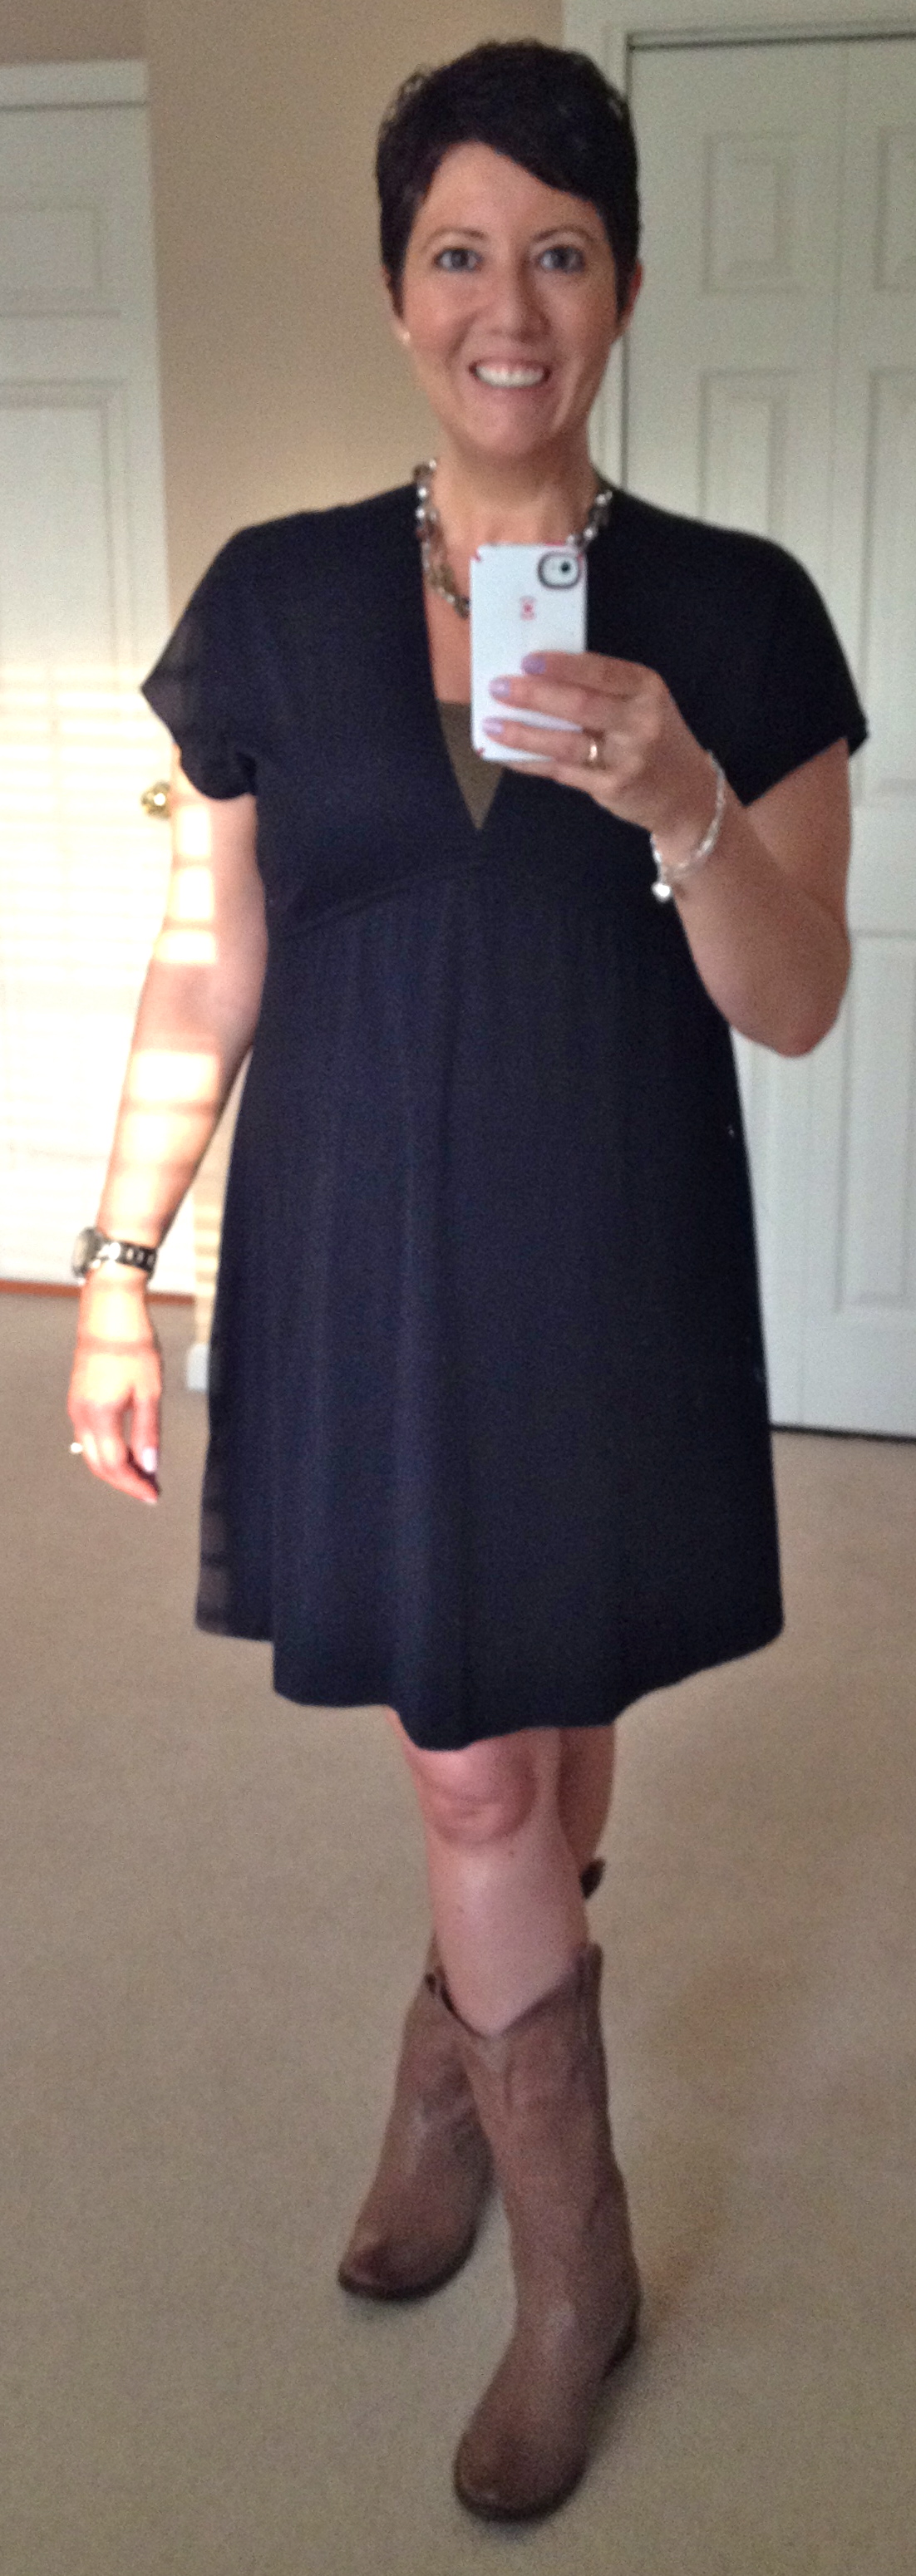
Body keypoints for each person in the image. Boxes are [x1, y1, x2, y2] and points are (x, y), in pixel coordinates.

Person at [67, 40, 866, 2524]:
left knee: (552, 1711)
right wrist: (116, 1266)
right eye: (458, 252)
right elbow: (211, 967)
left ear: (623, 287)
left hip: (610, 1258)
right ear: (396, 288)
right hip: (365, 1261)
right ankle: (572, 2256)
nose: (508, 305)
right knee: (475, 1759)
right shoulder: (274, 598)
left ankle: (460, 2081)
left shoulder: (738, 612)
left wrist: (688, 800)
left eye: (559, 252)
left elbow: (799, 996)